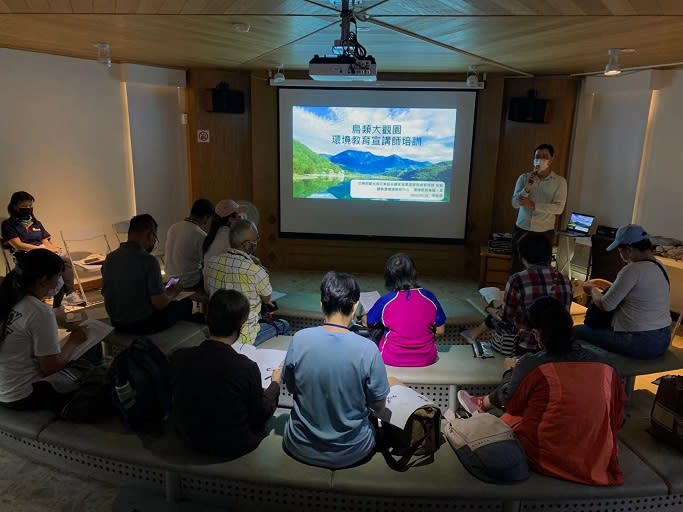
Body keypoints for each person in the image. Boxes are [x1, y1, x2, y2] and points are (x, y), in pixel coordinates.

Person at [459, 297, 626, 486]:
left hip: (547, 456)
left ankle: (481, 403)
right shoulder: (605, 365)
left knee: (509, 416)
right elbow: (618, 418)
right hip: (597, 457)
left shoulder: (532, 363)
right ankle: (482, 402)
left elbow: (511, 404)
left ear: (538, 334)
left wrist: (509, 371)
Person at [282, 272, 390, 469]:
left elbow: (291, 387)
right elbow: (378, 405)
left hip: (299, 445)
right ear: (356, 306)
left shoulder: (299, 339)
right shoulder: (368, 349)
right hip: (354, 451)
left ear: (322, 304)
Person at [169, 289, 280, 457]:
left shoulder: (179, 357)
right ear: (242, 326)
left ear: (207, 319)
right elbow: (260, 415)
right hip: (235, 444)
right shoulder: (246, 367)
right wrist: (275, 384)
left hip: (190, 439)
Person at [0, 249, 90, 411]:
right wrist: (74, 341)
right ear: (43, 280)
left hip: (4, 391)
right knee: (89, 364)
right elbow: (50, 368)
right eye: (58, 276)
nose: (60, 281)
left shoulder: (8, 299)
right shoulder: (39, 311)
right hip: (24, 395)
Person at [463, 232, 572, 354]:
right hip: (560, 342)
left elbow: (505, 317)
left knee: (497, 306)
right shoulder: (564, 279)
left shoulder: (517, 279)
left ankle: (473, 333)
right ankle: (474, 333)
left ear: (522, 256)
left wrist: (488, 309)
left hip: (525, 344)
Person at [574, 224, 671, 359]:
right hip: (663, 339)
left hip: (639, 341)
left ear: (629, 249)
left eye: (620, 251)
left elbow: (605, 305)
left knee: (575, 331)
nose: (620, 256)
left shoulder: (632, 270)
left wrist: (592, 289)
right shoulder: (660, 266)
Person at [102, 214, 193, 334]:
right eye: (155, 236)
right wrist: (173, 292)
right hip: (141, 324)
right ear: (150, 235)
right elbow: (159, 304)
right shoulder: (149, 260)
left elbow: (107, 292)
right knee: (186, 304)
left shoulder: (110, 258)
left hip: (116, 322)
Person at [204, 219, 288, 346]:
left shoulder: (211, 263)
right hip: (245, 337)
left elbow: (207, 290)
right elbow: (267, 299)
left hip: (217, 333)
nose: (257, 242)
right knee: (284, 325)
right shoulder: (256, 271)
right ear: (247, 245)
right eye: (256, 239)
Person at [1, 191, 84, 307]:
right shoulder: (8, 225)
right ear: (14, 206)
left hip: (42, 253)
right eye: (24, 207)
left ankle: (65, 298)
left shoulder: (36, 223)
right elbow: (18, 245)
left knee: (61, 261)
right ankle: (68, 295)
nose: (28, 209)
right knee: (60, 263)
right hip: (26, 256)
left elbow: (45, 240)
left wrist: (53, 248)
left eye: (30, 206)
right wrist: (41, 249)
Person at [364, 253, 445, 367]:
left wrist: (364, 315)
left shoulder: (386, 300)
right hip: (426, 358)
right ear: (413, 273)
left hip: (390, 358)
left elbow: (368, 322)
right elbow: (440, 331)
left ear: (388, 276)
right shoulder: (429, 297)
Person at [510, 144, 567, 274]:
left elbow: (558, 208)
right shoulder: (524, 178)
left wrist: (533, 205)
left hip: (544, 231)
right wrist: (528, 187)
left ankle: (538, 294)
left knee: (542, 270)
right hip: (522, 228)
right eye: (537, 157)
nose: (540, 160)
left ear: (552, 159)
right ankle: (514, 292)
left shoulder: (559, 182)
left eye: (545, 157)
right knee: (517, 265)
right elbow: (515, 203)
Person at [164, 198, 214, 290]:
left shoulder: (173, 227)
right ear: (206, 217)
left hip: (170, 281)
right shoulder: (200, 235)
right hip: (188, 283)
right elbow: (206, 262)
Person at [202, 199, 247, 264]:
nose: (242, 219)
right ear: (230, 219)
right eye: (239, 216)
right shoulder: (231, 237)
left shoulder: (215, 234)